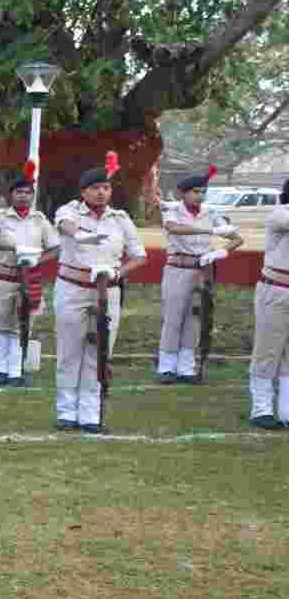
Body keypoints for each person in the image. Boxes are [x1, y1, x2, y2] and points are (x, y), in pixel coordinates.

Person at [51, 153, 148, 433]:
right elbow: (64, 225)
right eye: (95, 188)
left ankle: (90, 411)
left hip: (108, 290)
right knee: (70, 350)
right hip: (73, 288)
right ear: (83, 192)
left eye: (106, 188)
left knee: (100, 350)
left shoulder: (120, 219)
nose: (101, 193)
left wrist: (119, 272)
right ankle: (67, 410)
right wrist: (80, 234)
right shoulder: (70, 210)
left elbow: (138, 255)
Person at [157, 165, 243, 384]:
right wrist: (210, 231)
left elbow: (236, 239)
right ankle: (166, 366)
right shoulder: (172, 209)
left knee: (195, 318)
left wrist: (220, 252)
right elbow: (174, 229)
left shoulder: (210, 212)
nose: (200, 196)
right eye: (195, 191)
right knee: (173, 317)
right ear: (183, 193)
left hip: (201, 269)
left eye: (203, 192)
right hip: (177, 267)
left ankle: (187, 366)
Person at [0, 160, 59, 386]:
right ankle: (0, 369)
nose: (23, 196)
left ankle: (15, 371)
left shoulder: (39, 220)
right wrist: (12, 248)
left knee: (23, 324)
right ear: (11, 195)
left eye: (27, 193)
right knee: (1, 323)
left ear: (32, 196)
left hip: (29, 277)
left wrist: (35, 260)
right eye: (18, 192)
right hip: (2, 277)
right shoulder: (0, 217)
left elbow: (55, 247)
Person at [249, 177, 289, 429]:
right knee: (267, 350)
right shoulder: (279, 213)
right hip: (276, 289)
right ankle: (261, 409)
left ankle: (286, 411)